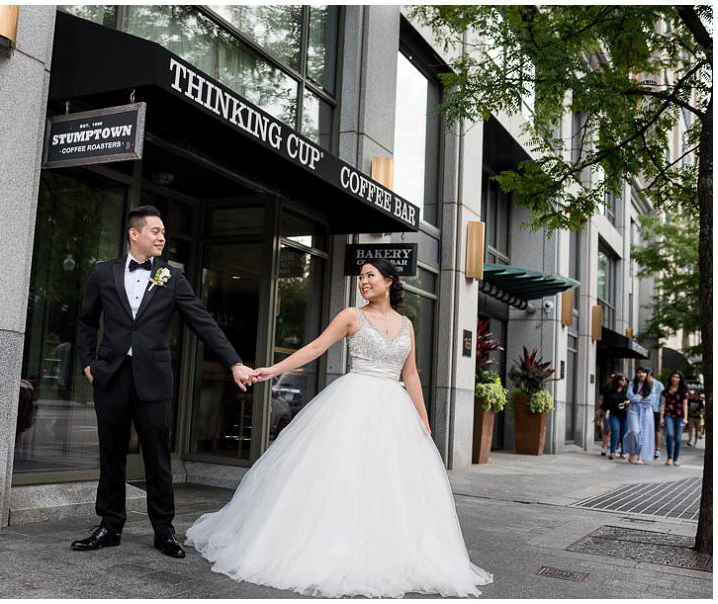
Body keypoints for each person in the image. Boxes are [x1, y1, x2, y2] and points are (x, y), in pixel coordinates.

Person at [184, 259, 493, 598]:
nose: (363, 282)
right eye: (360, 277)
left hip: (396, 410)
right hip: (353, 402)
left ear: (389, 281)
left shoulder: (407, 324)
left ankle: (389, 552)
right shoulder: (351, 316)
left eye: (370, 276)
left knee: (391, 483)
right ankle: (333, 546)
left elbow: (411, 374)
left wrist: (422, 417)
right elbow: (315, 348)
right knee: (343, 476)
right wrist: (272, 370)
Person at [71, 205, 255, 556]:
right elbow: (85, 321)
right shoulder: (102, 274)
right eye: (155, 231)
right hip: (110, 377)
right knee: (111, 455)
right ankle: (109, 525)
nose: (162, 237)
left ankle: (164, 530)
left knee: (157, 456)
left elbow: (203, 322)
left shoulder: (172, 277)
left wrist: (233, 362)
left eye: (164, 232)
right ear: (134, 233)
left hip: (153, 379)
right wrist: (87, 363)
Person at [623, 367, 658, 464]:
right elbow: (629, 396)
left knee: (645, 433)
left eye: (643, 372)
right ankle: (632, 452)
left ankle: (641, 457)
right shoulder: (632, 384)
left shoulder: (651, 385)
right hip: (633, 410)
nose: (641, 374)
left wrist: (636, 399)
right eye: (639, 372)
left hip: (646, 411)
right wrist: (640, 397)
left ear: (647, 374)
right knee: (634, 431)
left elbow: (651, 400)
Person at [660, 371, 689, 466]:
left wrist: (685, 418)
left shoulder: (684, 391)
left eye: (677, 377)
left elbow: (685, 405)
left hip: (680, 417)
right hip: (669, 415)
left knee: (678, 439)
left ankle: (676, 459)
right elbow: (663, 404)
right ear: (670, 378)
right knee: (669, 435)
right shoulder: (666, 390)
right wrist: (661, 418)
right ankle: (669, 458)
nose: (675, 378)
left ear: (680, 379)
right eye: (673, 376)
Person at [601, 373, 630, 459]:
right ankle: (612, 452)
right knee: (616, 431)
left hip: (624, 415)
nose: (624, 381)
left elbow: (632, 400)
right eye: (622, 379)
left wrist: (629, 401)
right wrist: (606, 411)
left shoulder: (627, 391)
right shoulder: (609, 391)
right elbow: (605, 403)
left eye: (625, 380)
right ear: (617, 380)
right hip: (614, 414)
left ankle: (623, 452)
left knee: (624, 433)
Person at [598, 372, 617, 456]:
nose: (612, 379)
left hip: (616, 411)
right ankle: (604, 447)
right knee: (606, 429)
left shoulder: (619, 388)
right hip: (605, 410)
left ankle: (617, 448)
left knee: (616, 430)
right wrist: (599, 409)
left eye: (614, 377)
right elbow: (601, 399)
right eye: (611, 377)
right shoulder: (605, 387)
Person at [650, 373, 665, 459]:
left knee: (657, 430)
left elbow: (662, 401)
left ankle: (657, 449)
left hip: (656, 410)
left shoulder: (659, 385)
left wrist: (662, 415)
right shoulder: (643, 384)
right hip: (646, 411)